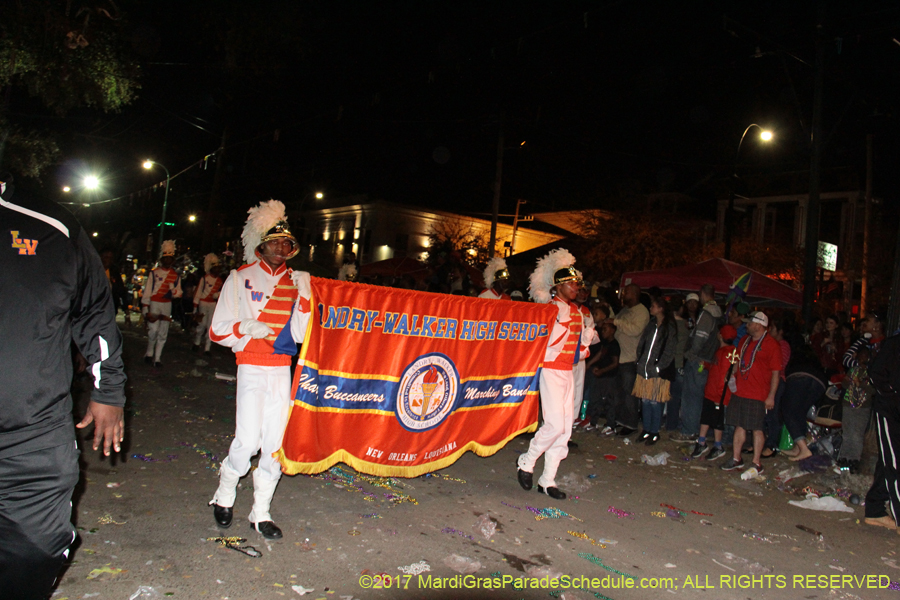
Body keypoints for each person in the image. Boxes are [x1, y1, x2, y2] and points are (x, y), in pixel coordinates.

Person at [0, 173, 126, 600]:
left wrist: (108, 390)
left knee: (37, 550)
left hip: (32, 431)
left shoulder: (53, 227)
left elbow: (94, 311)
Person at [208, 200, 312, 540]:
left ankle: (261, 512)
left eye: (287, 243)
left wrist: (308, 300)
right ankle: (225, 492)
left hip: (281, 368)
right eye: (276, 241)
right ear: (260, 245)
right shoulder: (239, 278)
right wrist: (244, 327)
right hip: (251, 366)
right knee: (248, 440)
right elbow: (217, 330)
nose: (283, 247)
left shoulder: (297, 282)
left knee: (275, 444)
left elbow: (299, 334)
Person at [517, 249, 586, 500]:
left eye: (576, 283)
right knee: (554, 424)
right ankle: (527, 460)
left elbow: (579, 347)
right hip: (551, 370)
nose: (576, 287)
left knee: (565, 430)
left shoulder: (576, 311)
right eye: (571, 284)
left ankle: (548, 480)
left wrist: (584, 344)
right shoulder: (549, 309)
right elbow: (546, 343)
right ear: (557, 287)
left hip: (569, 371)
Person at [720, 312, 782, 475]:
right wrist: (732, 376)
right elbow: (738, 361)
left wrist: (771, 396)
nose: (746, 325)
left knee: (756, 427)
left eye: (749, 323)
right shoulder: (744, 341)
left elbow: (776, 372)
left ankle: (756, 462)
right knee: (739, 424)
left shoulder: (771, 344)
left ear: (759, 325)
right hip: (741, 390)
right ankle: (736, 458)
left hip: (758, 392)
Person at [672, 284, 722, 444]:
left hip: (699, 360)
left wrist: (690, 354)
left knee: (691, 397)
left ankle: (689, 431)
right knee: (699, 397)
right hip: (708, 360)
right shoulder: (718, 313)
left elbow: (700, 338)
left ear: (702, 294)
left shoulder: (707, 314)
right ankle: (696, 429)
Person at [863, 331, 900, 530]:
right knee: (894, 462)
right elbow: (876, 374)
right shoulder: (894, 345)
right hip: (889, 411)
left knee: (887, 461)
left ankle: (875, 509)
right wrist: (892, 396)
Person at [605, 283, 650, 436]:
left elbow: (635, 330)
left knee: (629, 395)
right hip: (619, 357)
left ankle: (631, 424)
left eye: (627, 291)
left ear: (636, 293)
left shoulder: (642, 311)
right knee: (619, 393)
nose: (624, 294)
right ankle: (621, 421)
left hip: (630, 359)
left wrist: (616, 322)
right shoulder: (625, 310)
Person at [633, 297, 677, 445]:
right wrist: (639, 360)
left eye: (653, 306)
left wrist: (658, 368)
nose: (651, 308)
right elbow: (642, 343)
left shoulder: (669, 327)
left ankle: (654, 431)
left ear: (661, 308)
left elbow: (670, 351)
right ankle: (646, 430)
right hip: (645, 368)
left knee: (655, 401)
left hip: (658, 371)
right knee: (645, 400)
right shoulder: (651, 324)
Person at [691, 325, 738, 460]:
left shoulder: (728, 353)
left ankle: (718, 446)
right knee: (706, 418)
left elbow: (724, 377)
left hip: (717, 395)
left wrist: (720, 396)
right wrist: (706, 365)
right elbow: (716, 369)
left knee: (717, 421)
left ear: (721, 336)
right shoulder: (723, 351)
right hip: (711, 393)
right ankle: (701, 441)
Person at [779, 346, 827, 463]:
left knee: (788, 411)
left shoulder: (794, 359)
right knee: (800, 412)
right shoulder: (813, 359)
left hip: (799, 377)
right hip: (820, 382)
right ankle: (798, 447)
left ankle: (804, 449)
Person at [141, 240, 183, 367]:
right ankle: (149, 353)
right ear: (162, 259)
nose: (168, 261)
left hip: (167, 304)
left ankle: (157, 358)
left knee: (163, 332)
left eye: (170, 258)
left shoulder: (175, 276)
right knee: (153, 330)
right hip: (154, 302)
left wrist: (173, 290)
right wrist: (145, 307)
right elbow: (148, 290)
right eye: (166, 258)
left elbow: (178, 293)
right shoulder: (154, 273)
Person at [837, 346, 873, 474]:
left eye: (865, 357)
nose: (862, 360)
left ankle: (854, 461)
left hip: (862, 408)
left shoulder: (872, 373)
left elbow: (872, 390)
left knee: (857, 435)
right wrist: (847, 381)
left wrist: (860, 384)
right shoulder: (853, 370)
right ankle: (843, 460)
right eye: (860, 357)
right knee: (847, 433)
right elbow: (845, 385)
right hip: (848, 404)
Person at [760, 318, 791, 458]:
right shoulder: (770, 344)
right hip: (767, 381)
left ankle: (772, 445)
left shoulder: (782, 345)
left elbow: (780, 366)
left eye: (772, 328)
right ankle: (762, 443)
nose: (769, 331)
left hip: (777, 382)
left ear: (780, 331)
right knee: (763, 414)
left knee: (772, 414)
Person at [192, 253, 224, 355]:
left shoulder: (220, 281)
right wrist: (195, 307)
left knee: (210, 325)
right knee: (202, 324)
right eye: (216, 268)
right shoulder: (205, 278)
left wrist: (218, 294)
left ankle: (207, 347)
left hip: (213, 304)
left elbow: (223, 293)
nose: (218, 270)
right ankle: (197, 342)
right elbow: (198, 292)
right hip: (203, 302)